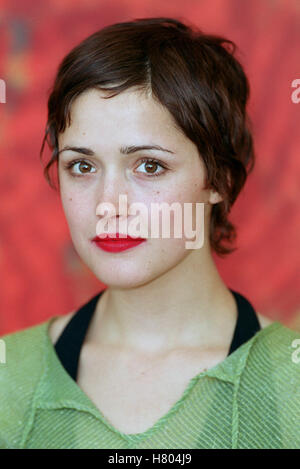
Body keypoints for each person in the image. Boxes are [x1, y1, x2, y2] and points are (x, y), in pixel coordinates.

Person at [0, 17, 299, 450]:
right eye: (82, 166)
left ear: (220, 180)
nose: (108, 204)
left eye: (149, 165)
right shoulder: (9, 378)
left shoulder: (289, 384)